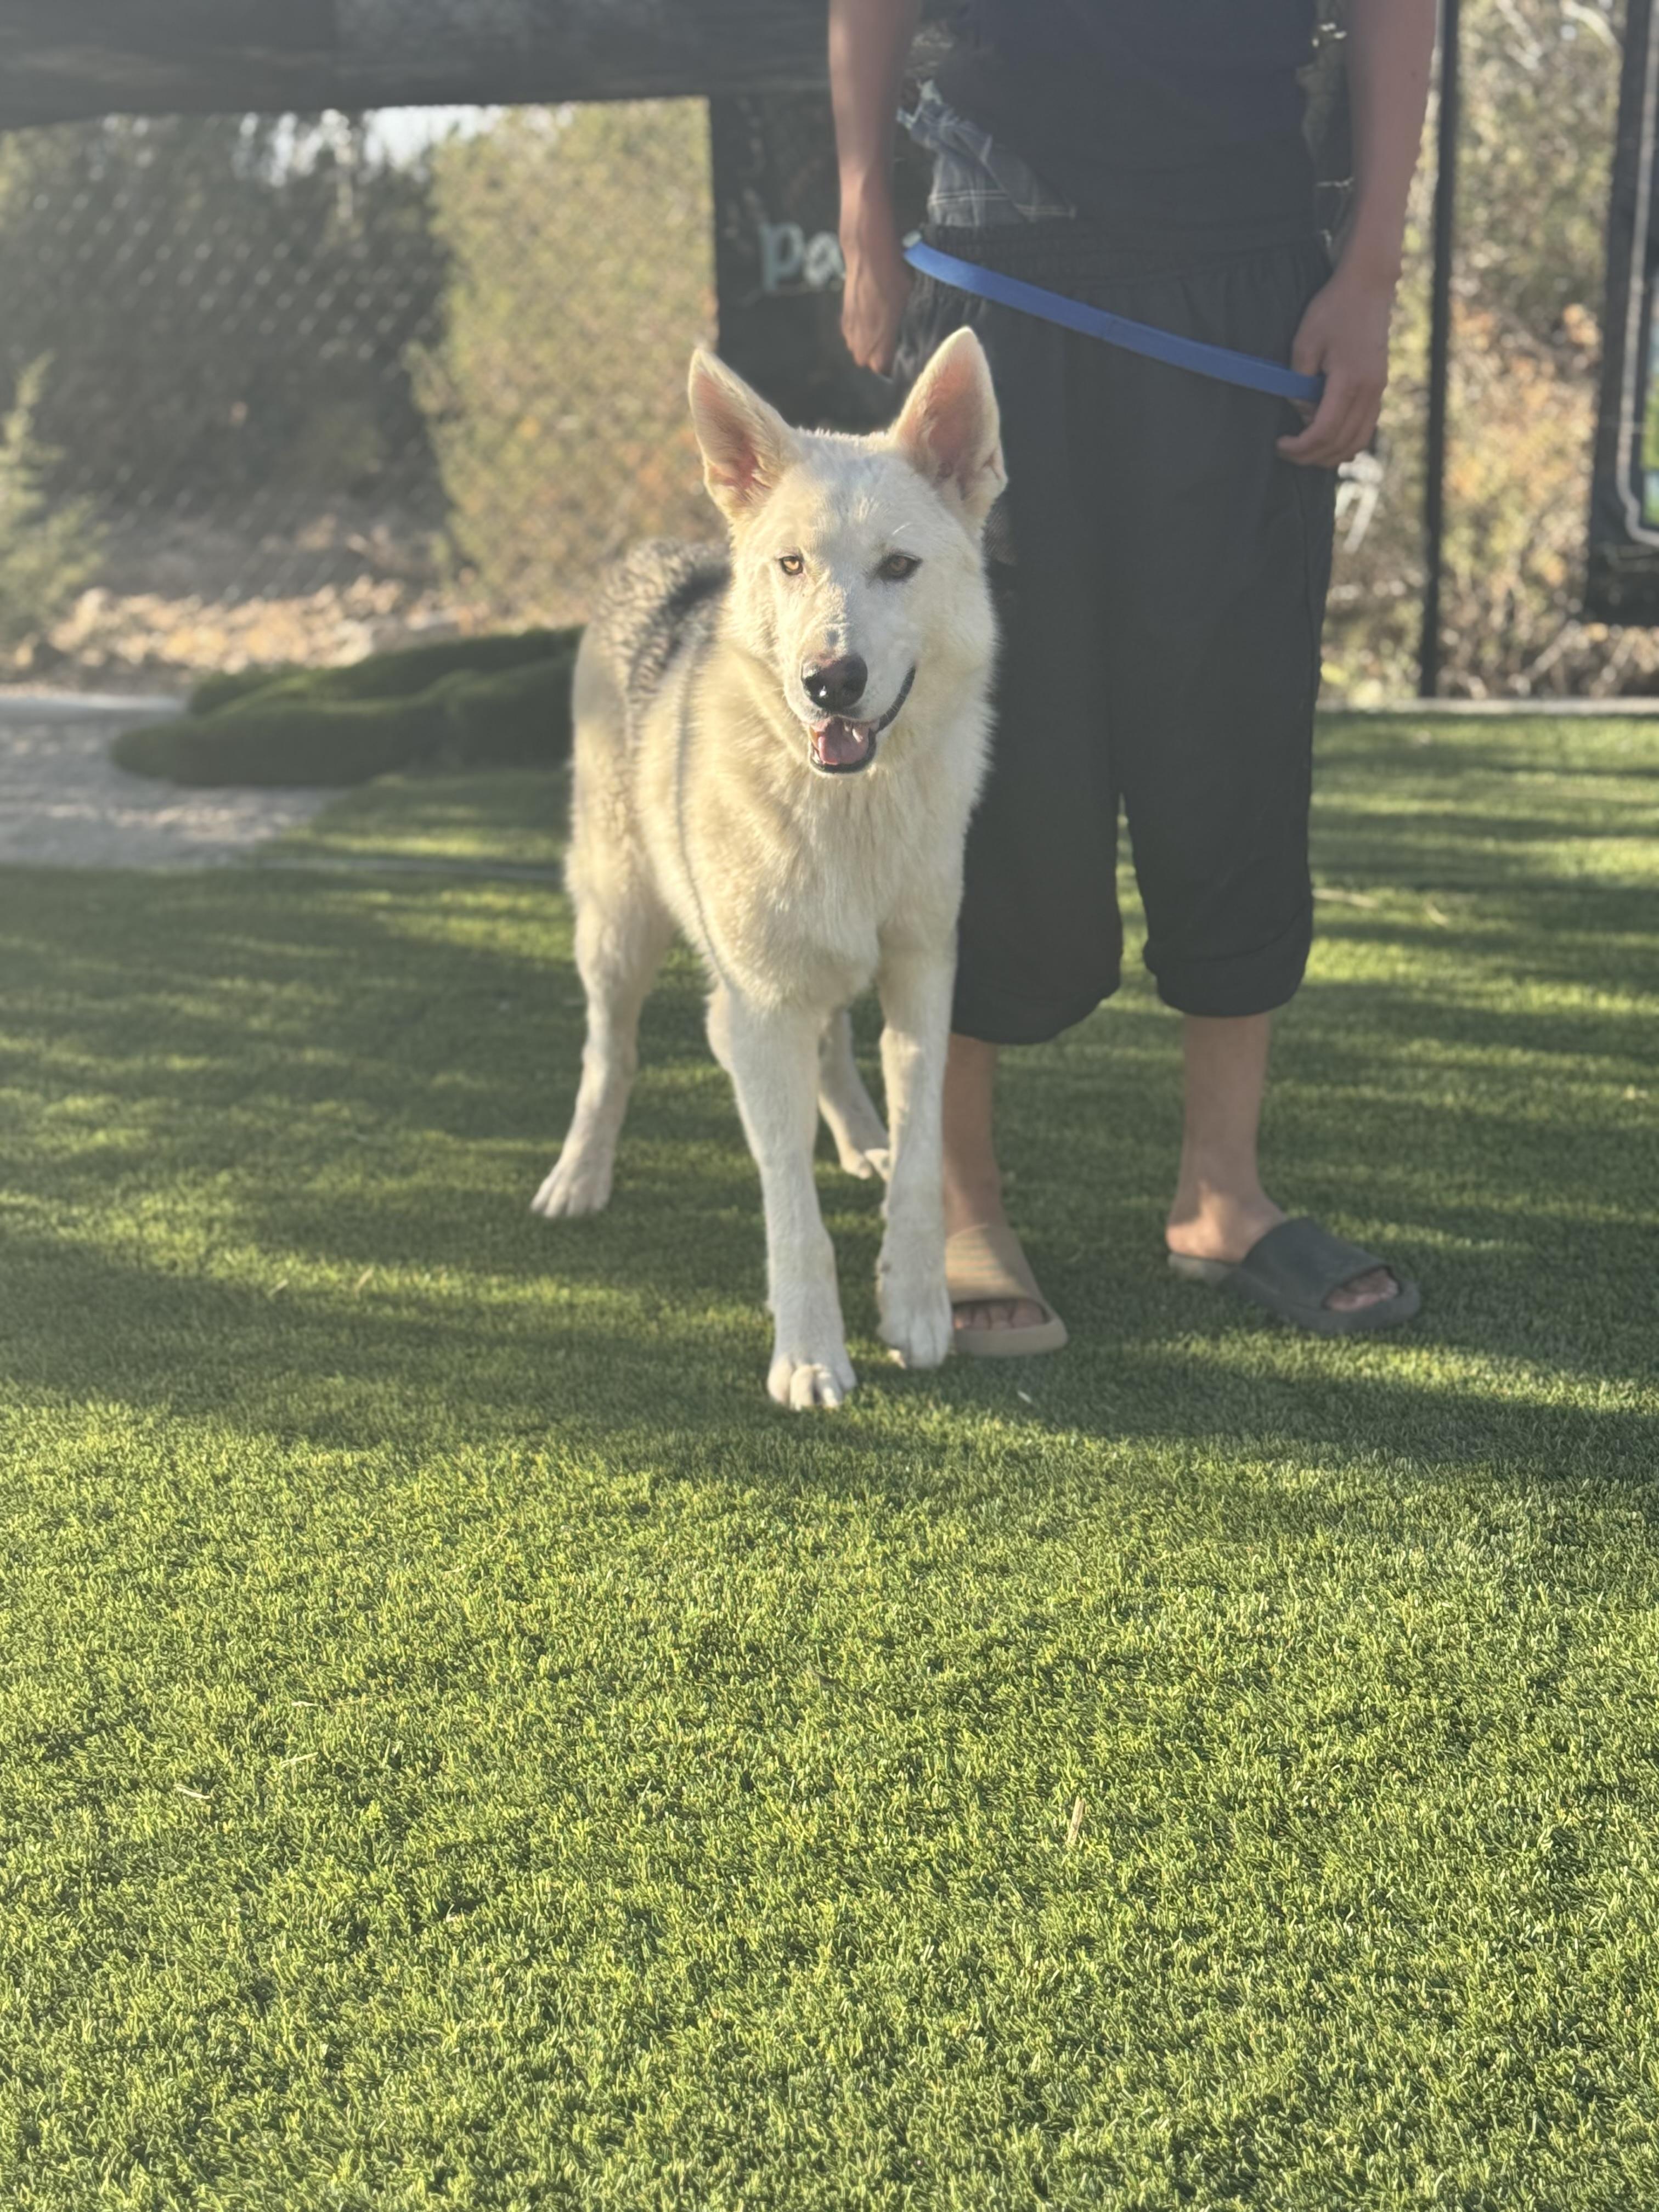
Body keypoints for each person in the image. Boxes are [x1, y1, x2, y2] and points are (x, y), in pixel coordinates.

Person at [829, 0, 1435, 1347]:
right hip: (994, 262)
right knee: (991, 753)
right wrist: (866, 202)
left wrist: (1370, 272)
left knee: (1230, 732)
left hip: (1243, 267)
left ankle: (1225, 1196)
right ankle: (954, 1190)